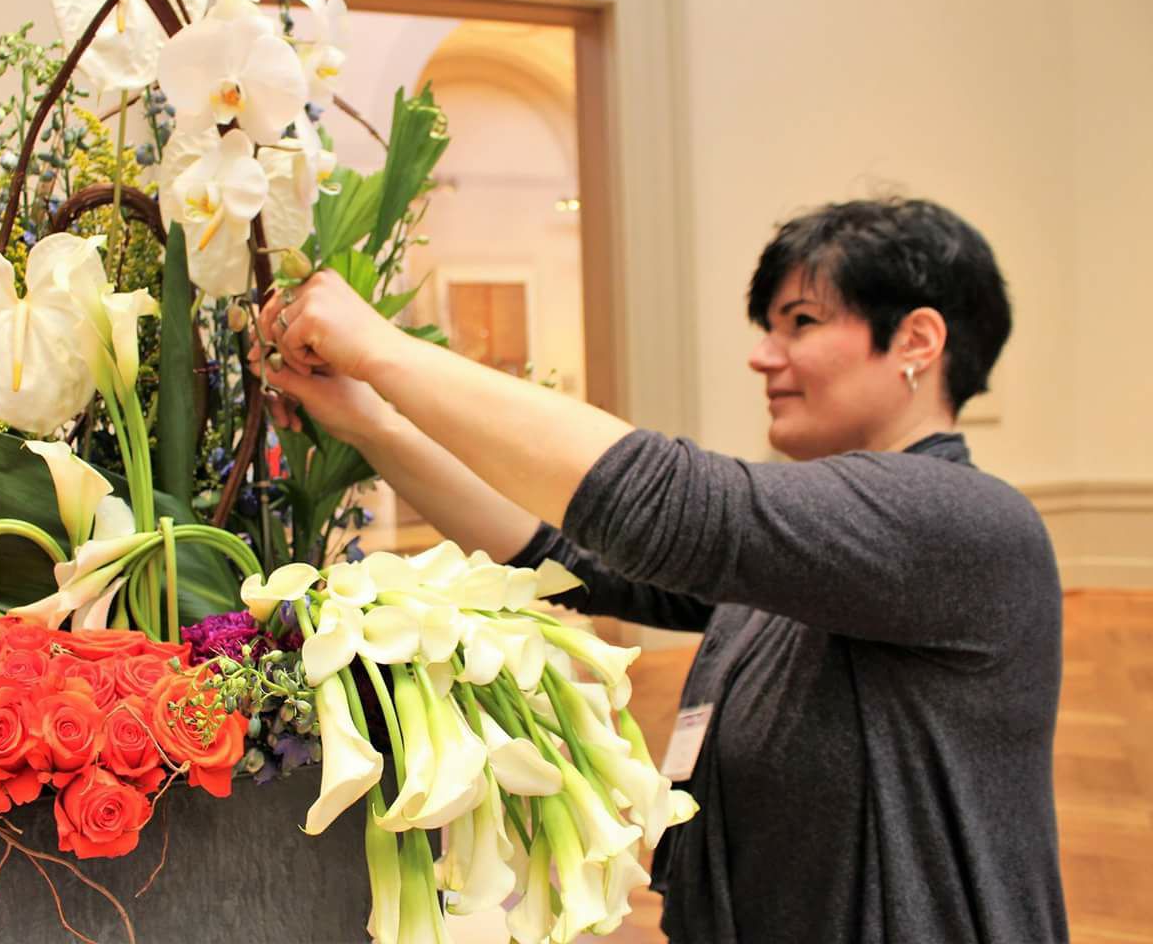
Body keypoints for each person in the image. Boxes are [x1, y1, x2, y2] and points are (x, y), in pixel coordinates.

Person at [253, 198, 1068, 944]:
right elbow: (569, 562)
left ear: (918, 342)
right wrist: (366, 421)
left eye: (801, 321)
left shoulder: (964, 522)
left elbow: (664, 501)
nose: (763, 356)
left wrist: (381, 350)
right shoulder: (834, 551)